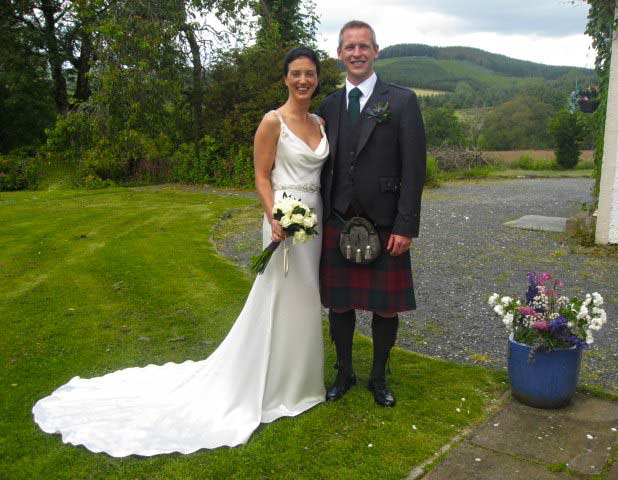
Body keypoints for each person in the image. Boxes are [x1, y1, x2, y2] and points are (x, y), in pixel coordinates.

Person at [32, 47, 330, 457]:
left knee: (306, 297)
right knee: (279, 295)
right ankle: (269, 385)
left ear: (317, 78)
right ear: (285, 78)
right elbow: (261, 175)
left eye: (309, 73)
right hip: (282, 219)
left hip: (314, 221)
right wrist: (273, 216)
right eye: (295, 73)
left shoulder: (319, 122)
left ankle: (302, 384)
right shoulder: (271, 121)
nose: (303, 80)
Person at [318, 20, 426, 407]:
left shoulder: (401, 101)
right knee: (339, 303)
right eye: (350, 47)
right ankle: (344, 371)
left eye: (364, 46)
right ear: (339, 54)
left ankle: (379, 377)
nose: (357, 53)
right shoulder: (328, 105)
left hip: (384, 223)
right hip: (338, 220)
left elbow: (415, 168)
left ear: (376, 51)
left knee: (385, 306)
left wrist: (406, 224)